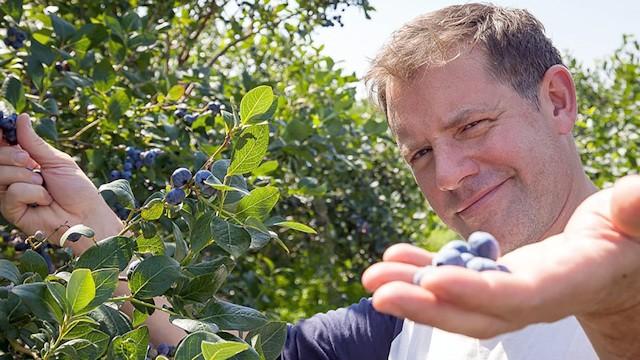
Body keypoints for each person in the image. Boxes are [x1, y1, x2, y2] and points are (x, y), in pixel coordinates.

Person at [0, 3, 639, 359]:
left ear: (556, 102)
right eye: (419, 152)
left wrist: (619, 306)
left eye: (471, 126)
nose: (448, 175)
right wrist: (88, 230)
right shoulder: (414, 319)